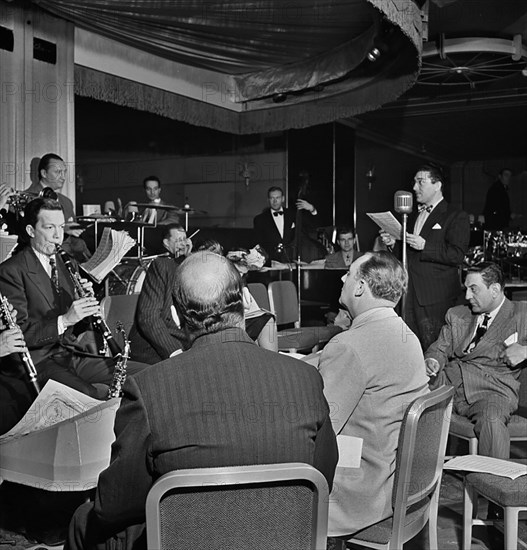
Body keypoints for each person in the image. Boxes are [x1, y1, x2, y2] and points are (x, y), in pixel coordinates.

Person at [66, 251, 338, 550]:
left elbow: (112, 506)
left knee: (83, 521)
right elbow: (323, 478)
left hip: (183, 540)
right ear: (244, 301)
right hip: (280, 540)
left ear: (179, 316)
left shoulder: (148, 389)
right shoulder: (305, 378)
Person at [317, 251, 429, 538]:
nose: (342, 277)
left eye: (349, 273)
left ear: (360, 287)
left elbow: (321, 428)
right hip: (395, 481)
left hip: (358, 495)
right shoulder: (406, 335)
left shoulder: (349, 345)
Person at [0, 198, 147, 401]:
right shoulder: (11, 271)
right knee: (89, 396)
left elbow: (78, 327)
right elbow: (20, 335)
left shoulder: (66, 263)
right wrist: (66, 319)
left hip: (71, 354)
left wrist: (84, 308)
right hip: (39, 361)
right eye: (49, 227)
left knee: (146, 374)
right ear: (31, 231)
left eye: (61, 227)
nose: (57, 235)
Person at [426, 262, 527, 460]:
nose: (467, 296)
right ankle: (408, 478)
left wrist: (525, 350)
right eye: (466, 289)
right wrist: (432, 360)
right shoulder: (457, 314)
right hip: (448, 385)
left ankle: (492, 485)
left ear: (495, 290)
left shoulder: (521, 314)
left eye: (474, 290)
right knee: (401, 394)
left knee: (492, 419)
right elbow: (439, 349)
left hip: (491, 392)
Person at [380, 165, 470, 350]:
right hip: (408, 294)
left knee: (434, 350)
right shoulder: (413, 217)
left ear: (437, 185)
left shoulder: (455, 215)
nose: (414, 187)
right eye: (414, 182)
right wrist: (393, 244)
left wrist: (425, 246)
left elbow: (457, 255)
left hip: (435, 298)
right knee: (408, 347)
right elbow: (410, 255)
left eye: (420, 182)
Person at [128, 223, 191, 363]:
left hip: (187, 343)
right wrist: (174, 351)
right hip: (157, 348)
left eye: (185, 239)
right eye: (178, 240)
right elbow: (148, 317)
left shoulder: (191, 266)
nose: (183, 244)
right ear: (166, 243)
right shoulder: (161, 265)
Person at [253, 185, 318, 263]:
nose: (275, 201)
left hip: (291, 260)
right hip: (271, 262)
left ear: (283, 199)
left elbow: (312, 226)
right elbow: (258, 244)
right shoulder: (259, 219)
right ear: (268, 200)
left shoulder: (292, 214)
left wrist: (312, 209)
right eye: (272, 198)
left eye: (277, 198)